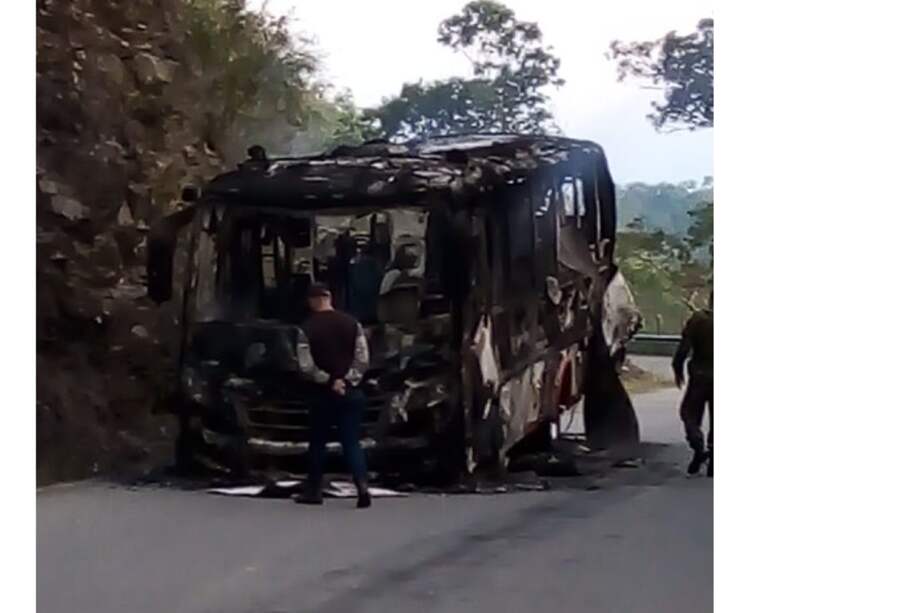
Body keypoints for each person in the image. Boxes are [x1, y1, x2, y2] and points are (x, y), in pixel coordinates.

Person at [293, 282, 372, 508]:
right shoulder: (352, 323)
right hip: (351, 393)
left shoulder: (306, 329)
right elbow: (363, 359)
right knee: (351, 442)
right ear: (329, 298)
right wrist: (346, 381)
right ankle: (362, 487)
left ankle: (314, 491)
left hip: (321, 395)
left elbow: (305, 366)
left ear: (312, 301)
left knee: (318, 442)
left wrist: (329, 381)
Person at [672, 291, 714, 477]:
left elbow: (684, 348)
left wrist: (677, 368)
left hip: (700, 375)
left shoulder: (699, 319)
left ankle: (698, 444)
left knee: (688, 413)